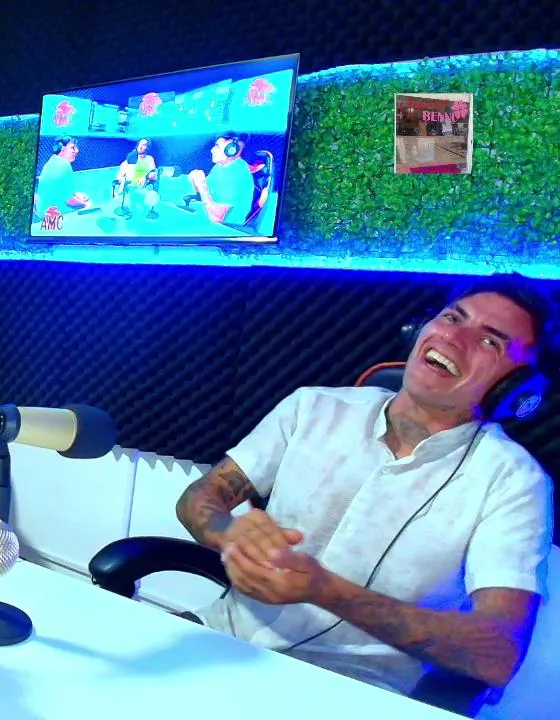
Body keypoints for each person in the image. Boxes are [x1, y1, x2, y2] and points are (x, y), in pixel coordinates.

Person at [174, 274, 555, 696]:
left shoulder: (514, 483)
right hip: (221, 639)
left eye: (489, 341)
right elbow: (201, 496)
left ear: (516, 388)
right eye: (452, 318)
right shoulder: (313, 407)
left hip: (352, 692)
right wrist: (228, 533)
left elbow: (499, 654)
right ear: (419, 330)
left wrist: (327, 591)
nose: (453, 338)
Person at [185, 132, 255, 225]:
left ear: (232, 149)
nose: (212, 150)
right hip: (206, 218)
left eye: (217, 146)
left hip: (224, 228)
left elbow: (216, 218)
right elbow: (204, 194)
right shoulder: (220, 166)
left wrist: (201, 185)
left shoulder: (237, 173)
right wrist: (196, 181)